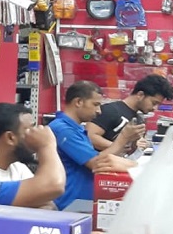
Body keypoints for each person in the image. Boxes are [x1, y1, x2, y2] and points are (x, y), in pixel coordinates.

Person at [50, 81, 139, 211]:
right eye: (95, 105)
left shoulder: (76, 129)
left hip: (79, 204)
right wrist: (123, 138)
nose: (99, 111)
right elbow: (97, 164)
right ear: (79, 102)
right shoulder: (63, 130)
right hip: (68, 205)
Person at [86, 73, 173, 152]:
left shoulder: (138, 119)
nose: (154, 108)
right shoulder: (111, 110)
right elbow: (90, 136)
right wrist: (122, 147)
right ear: (140, 95)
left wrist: (137, 145)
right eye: (154, 103)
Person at [0, 103, 35, 181]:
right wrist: (47, 146)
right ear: (10, 138)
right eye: (30, 130)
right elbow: (52, 184)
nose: (36, 136)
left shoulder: (19, 169)